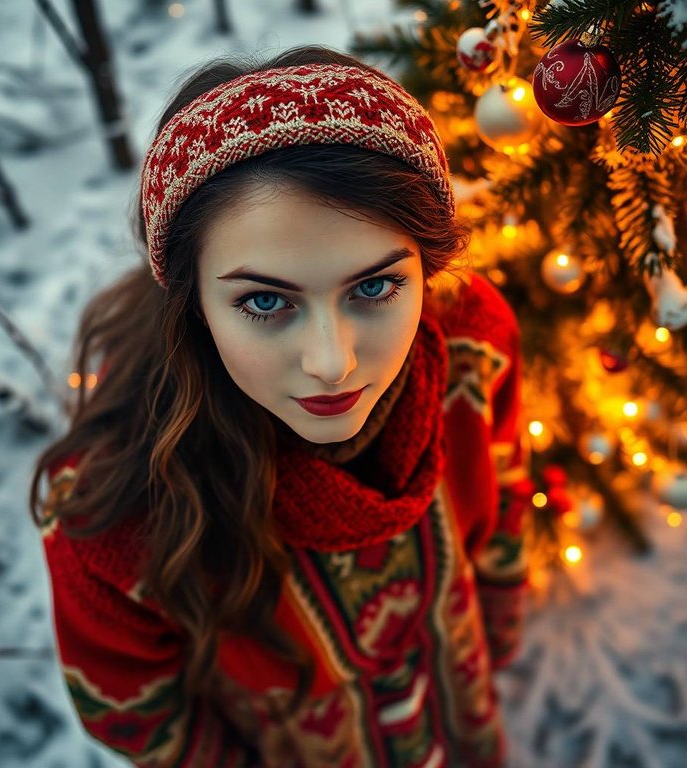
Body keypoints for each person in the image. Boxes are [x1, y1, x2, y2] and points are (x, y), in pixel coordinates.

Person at [31, 44, 529, 768]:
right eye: (265, 301)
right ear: (193, 303)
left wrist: (501, 619)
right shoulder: (111, 511)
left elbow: (507, 487)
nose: (332, 363)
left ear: (428, 267)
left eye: (375, 288)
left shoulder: (474, 344)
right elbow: (141, 718)